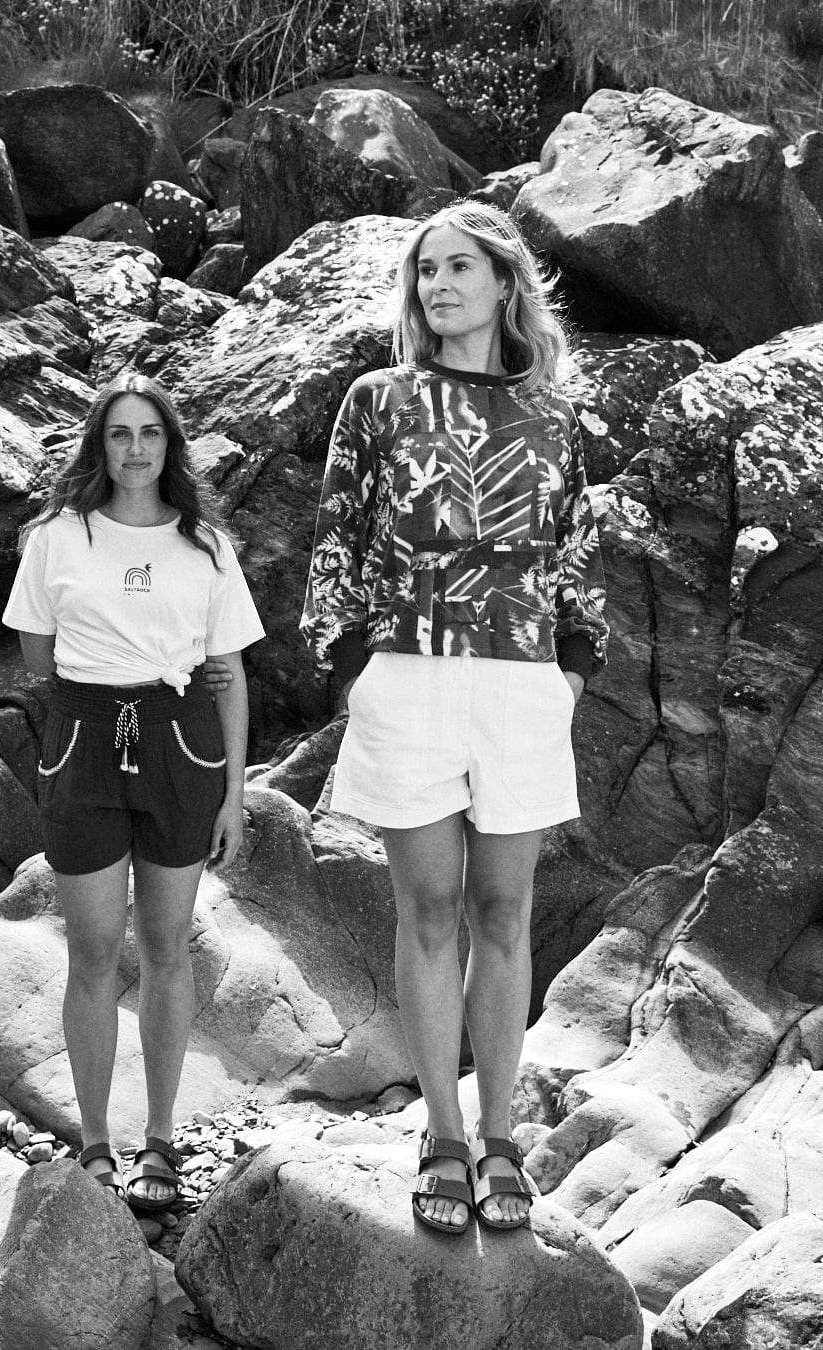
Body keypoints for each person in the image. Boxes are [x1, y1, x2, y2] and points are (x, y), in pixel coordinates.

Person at [301, 202, 608, 1234]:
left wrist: (568, 672)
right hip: (410, 675)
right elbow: (337, 534)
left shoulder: (557, 416)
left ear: (504, 283)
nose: (437, 285)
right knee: (429, 910)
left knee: (504, 913)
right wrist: (357, 671)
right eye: (424, 270)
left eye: (459, 267)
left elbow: (579, 554)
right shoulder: (378, 400)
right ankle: (440, 1132)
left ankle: (501, 1135)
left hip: (521, 681)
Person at [3, 372, 264, 1214]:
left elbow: (230, 678)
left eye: (151, 433)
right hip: (83, 738)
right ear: (99, 445)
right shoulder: (58, 537)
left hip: (180, 741)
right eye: (120, 434)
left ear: (172, 445)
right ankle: (94, 1144)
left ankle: (159, 1139)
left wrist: (233, 793)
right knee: (89, 950)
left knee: (165, 947)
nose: (137, 448)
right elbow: (38, 660)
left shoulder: (207, 546)